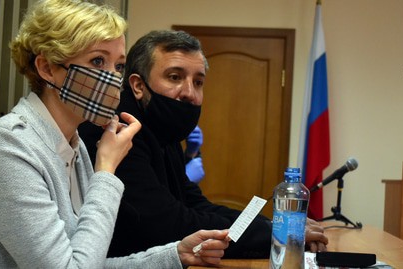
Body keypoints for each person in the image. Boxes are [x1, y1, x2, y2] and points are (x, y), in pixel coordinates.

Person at [0, 2, 230, 268]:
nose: (113, 78)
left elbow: (86, 261)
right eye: (98, 61)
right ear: (47, 67)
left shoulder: (73, 148)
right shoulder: (3, 147)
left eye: (119, 65)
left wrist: (176, 254)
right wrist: (106, 172)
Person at [79, 29, 329, 259]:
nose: (189, 92)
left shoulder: (161, 129)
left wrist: (272, 225)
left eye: (198, 82)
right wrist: (277, 235)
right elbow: (168, 224)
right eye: (174, 77)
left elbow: (194, 203)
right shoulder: (117, 129)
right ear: (137, 85)